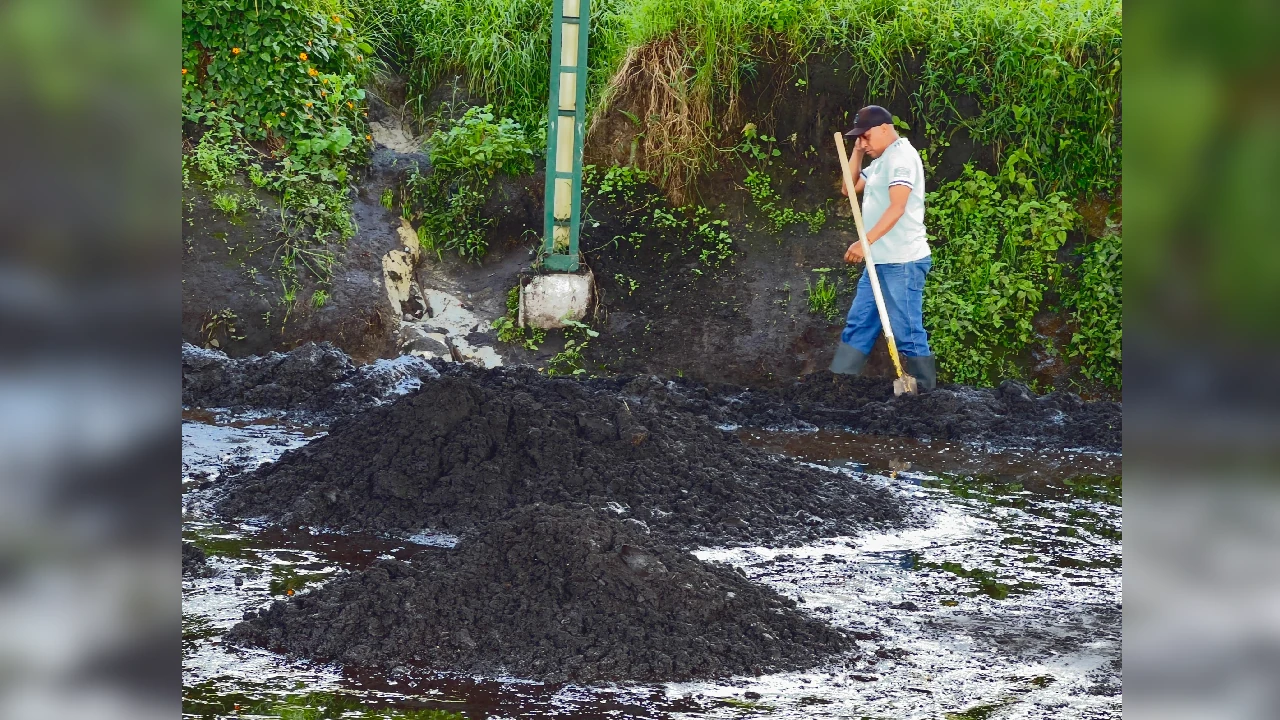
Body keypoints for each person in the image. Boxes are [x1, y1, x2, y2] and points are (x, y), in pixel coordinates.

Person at [829, 105, 936, 390]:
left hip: (903, 261)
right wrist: (858, 152)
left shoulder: (901, 158)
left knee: (907, 331)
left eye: (866, 136)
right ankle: (838, 387)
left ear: (885, 128)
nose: (863, 141)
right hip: (879, 261)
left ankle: (925, 394)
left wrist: (864, 243)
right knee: (859, 323)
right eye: (859, 137)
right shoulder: (880, 160)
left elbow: (897, 207)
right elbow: (848, 188)